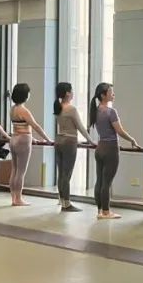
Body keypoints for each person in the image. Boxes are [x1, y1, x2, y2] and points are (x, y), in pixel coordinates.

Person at [89, 82, 140, 220]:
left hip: (100, 147)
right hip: (110, 148)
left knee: (99, 181)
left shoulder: (95, 110)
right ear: (103, 95)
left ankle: (100, 210)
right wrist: (132, 140)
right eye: (111, 92)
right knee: (107, 182)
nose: (113, 94)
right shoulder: (111, 112)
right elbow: (119, 131)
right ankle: (106, 212)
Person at [6, 83, 51, 206]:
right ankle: (18, 198)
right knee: (21, 171)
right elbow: (35, 126)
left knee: (14, 170)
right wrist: (47, 139)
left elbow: (20, 125)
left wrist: (33, 138)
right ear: (25, 95)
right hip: (23, 140)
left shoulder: (13, 109)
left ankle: (13, 198)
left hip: (14, 138)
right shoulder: (24, 110)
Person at [54, 82, 94, 213]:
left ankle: (62, 200)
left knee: (61, 173)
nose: (73, 93)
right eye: (71, 91)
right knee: (67, 173)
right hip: (69, 141)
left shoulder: (58, 107)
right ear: (67, 93)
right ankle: (67, 204)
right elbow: (80, 127)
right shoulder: (71, 109)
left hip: (58, 139)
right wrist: (91, 141)